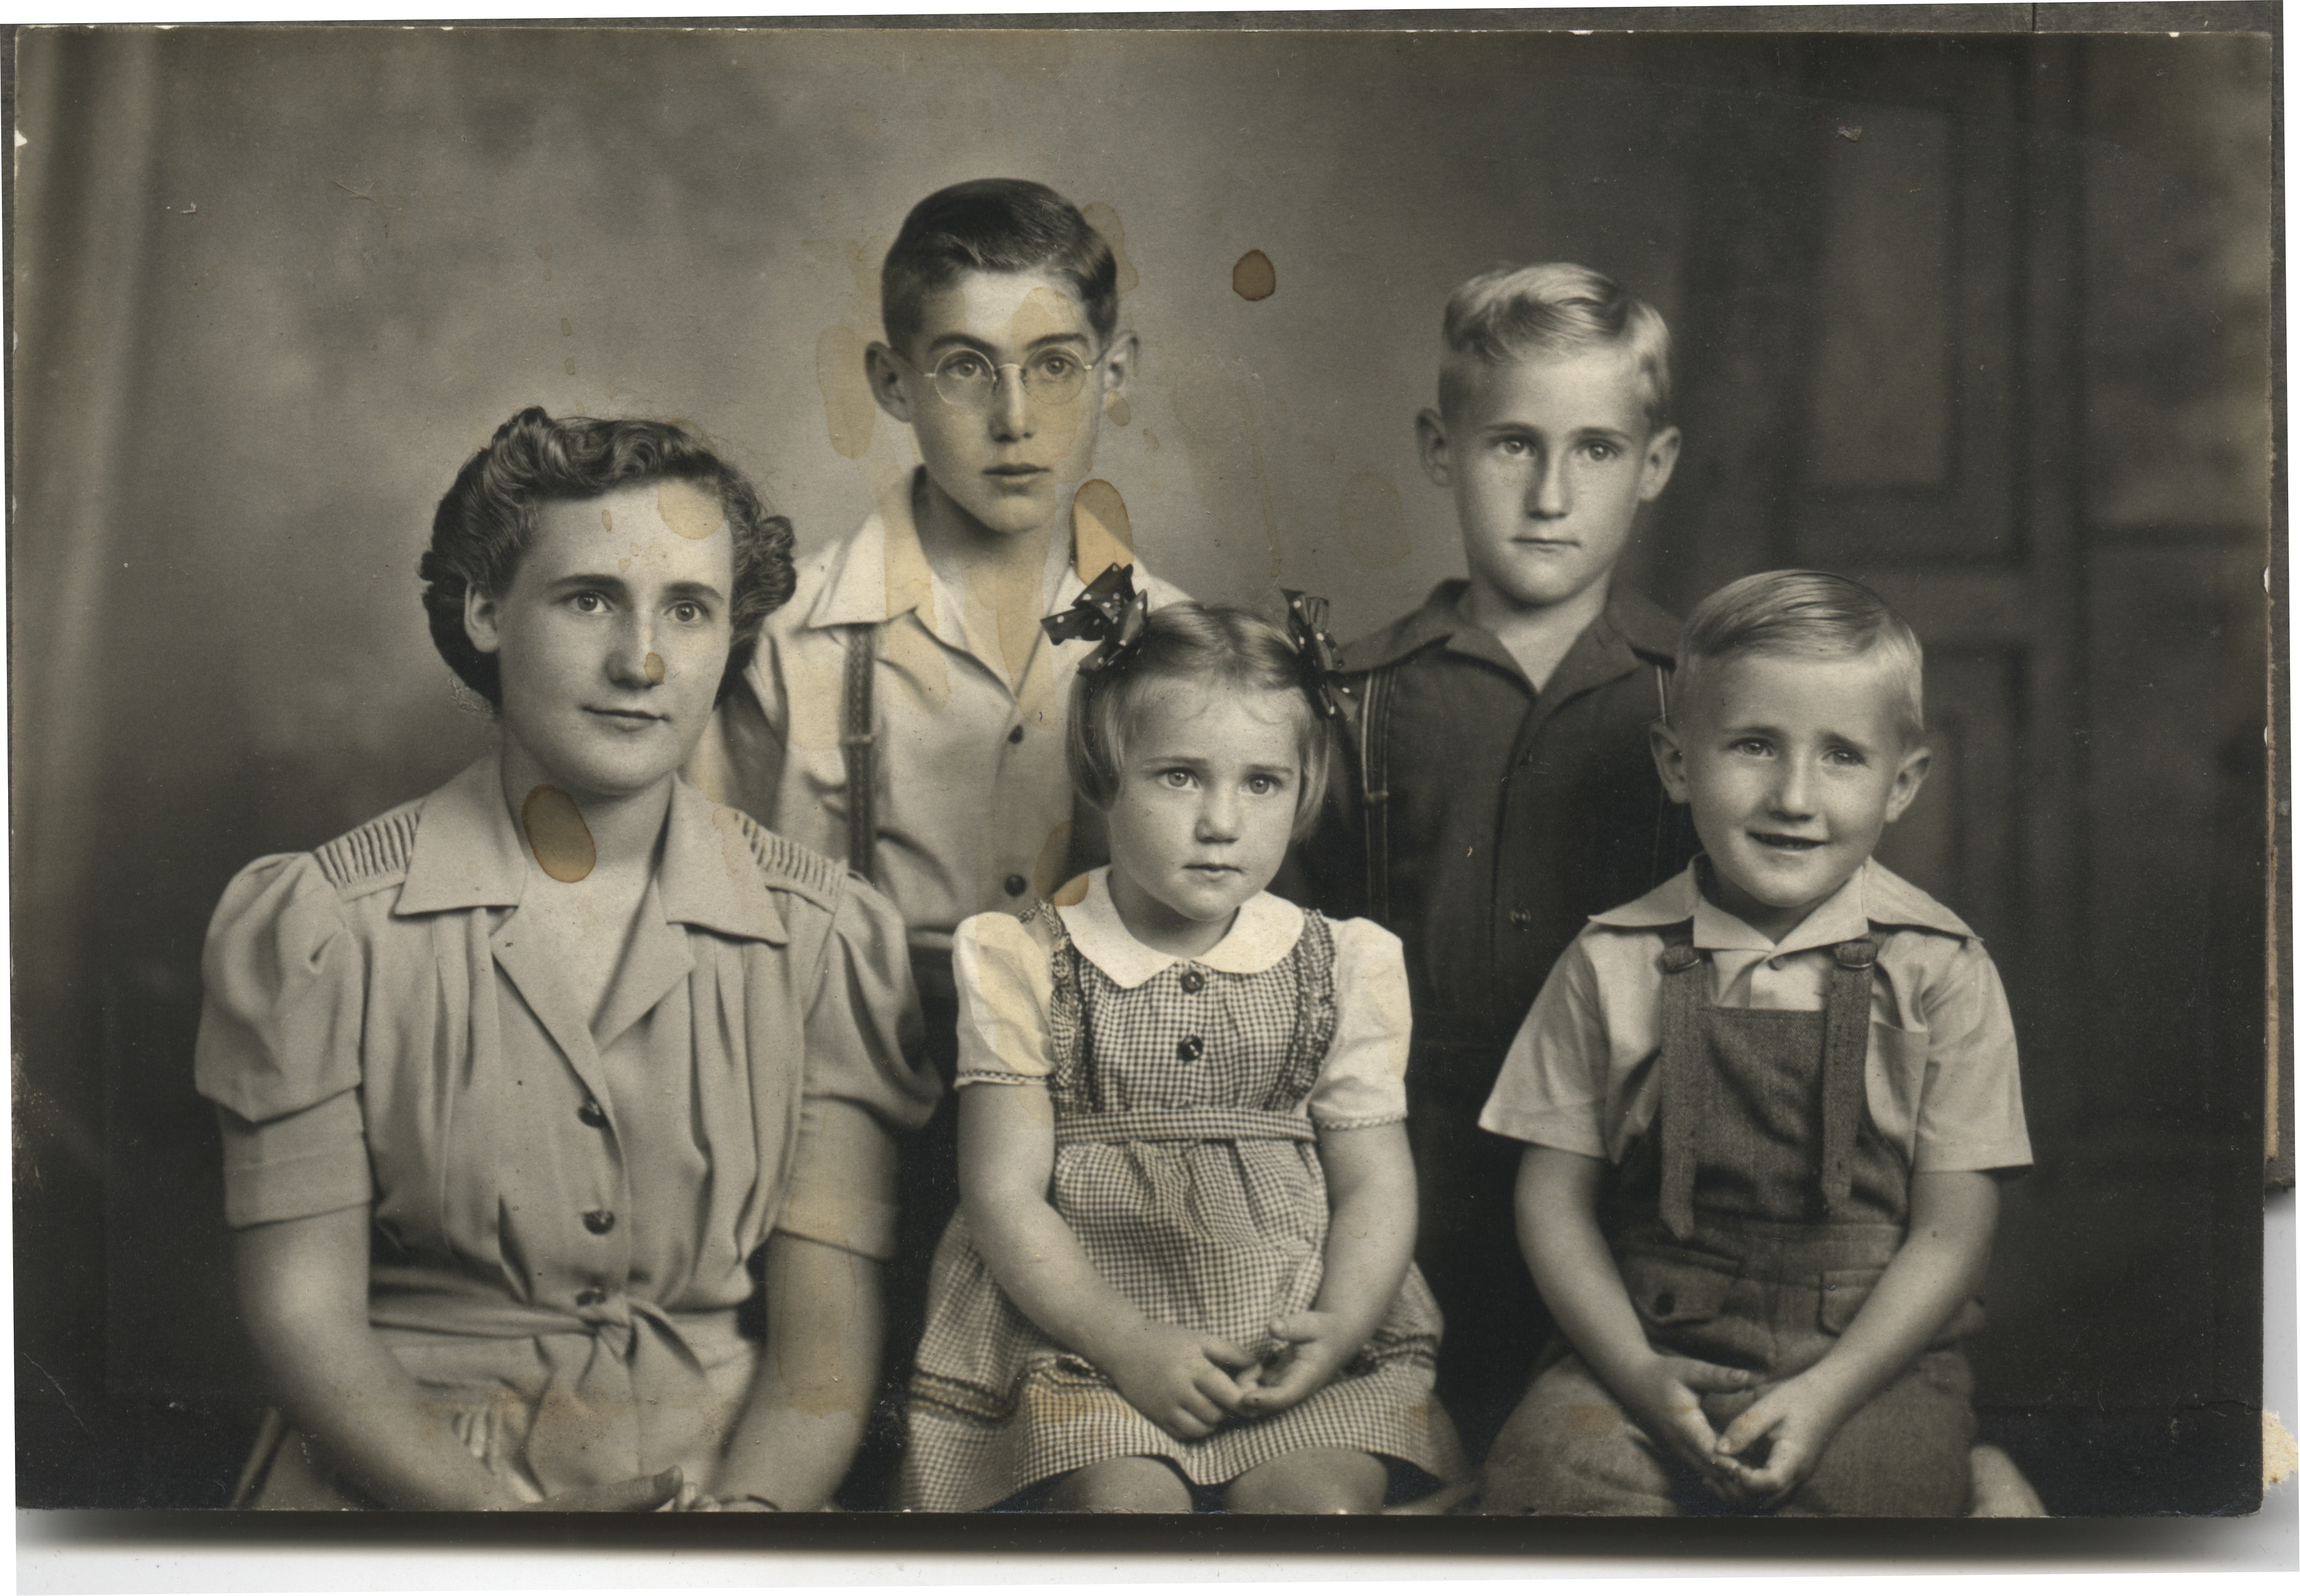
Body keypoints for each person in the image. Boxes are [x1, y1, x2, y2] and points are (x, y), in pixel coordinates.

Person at [196, 409, 939, 1510]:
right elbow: (304, 1316)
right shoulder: (322, 927)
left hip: (725, 1487)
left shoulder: (828, 941)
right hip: (399, 1487)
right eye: (590, 599)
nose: (642, 662)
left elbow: (822, 1353)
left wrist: (747, 1529)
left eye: (688, 610)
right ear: (487, 611)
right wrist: (506, 1535)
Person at [684, 177, 1186, 1500]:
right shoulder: (784, 642)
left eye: (1054, 366)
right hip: (826, 1145)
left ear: (1117, 371)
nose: (1016, 419)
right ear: (891, 382)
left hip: (1091, 1168)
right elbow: (703, 933)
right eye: (966, 368)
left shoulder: (1180, 656)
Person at [1477, 571, 2032, 1516]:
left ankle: (1978, 1478)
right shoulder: (1611, 959)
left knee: (1871, 1509)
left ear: (1903, 784)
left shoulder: (1941, 970)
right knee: (1548, 1484)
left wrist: (1832, 1392)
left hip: (1867, 1364)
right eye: (1754, 746)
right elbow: (1553, 1202)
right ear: (1676, 762)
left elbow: (1954, 1229)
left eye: (1843, 756)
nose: (1793, 797)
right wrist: (1636, 1375)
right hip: (1652, 1348)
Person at [901, 595, 1465, 1512]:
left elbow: (1375, 1184)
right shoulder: (1023, 958)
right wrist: (1127, 1344)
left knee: (1317, 1511)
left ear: (1304, 789)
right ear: (1104, 774)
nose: (1221, 822)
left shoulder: (1343, 964)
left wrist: (1339, 1327)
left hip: (1284, 1328)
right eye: (1179, 777)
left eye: (1262, 783)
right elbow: (1002, 1195)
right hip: (1085, 1336)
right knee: (1128, 1513)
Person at [1294, 262, 1697, 1453]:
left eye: (1598, 451)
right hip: (1398, 1187)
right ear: (1441, 448)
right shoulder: (1351, 701)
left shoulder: (1701, 697)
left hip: (1640, 1206)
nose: (1551, 495)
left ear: (1657, 465)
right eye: (1513, 445)